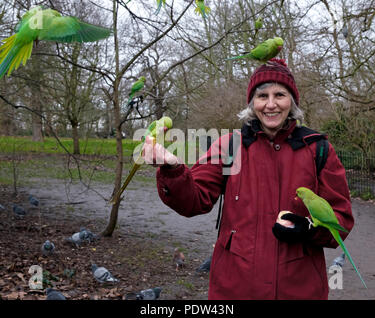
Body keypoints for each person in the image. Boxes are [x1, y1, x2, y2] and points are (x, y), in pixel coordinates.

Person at [142, 58, 354, 300]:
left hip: (300, 289)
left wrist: (309, 229)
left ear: (292, 101)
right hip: (235, 289)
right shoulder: (229, 146)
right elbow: (194, 200)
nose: (271, 104)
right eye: (262, 96)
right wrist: (172, 168)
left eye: (280, 95)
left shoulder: (317, 149)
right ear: (252, 103)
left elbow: (342, 219)